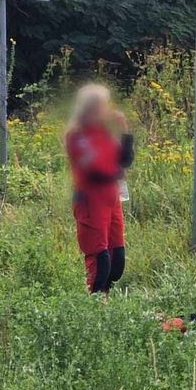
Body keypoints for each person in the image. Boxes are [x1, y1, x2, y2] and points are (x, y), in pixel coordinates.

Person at [64, 83, 134, 293]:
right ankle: (94, 302)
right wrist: (116, 171)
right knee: (99, 259)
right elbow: (95, 170)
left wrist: (124, 131)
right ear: (91, 108)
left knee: (116, 258)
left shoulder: (104, 134)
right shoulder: (77, 136)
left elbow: (125, 160)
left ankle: (106, 299)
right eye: (103, 105)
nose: (107, 110)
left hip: (111, 199)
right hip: (91, 201)